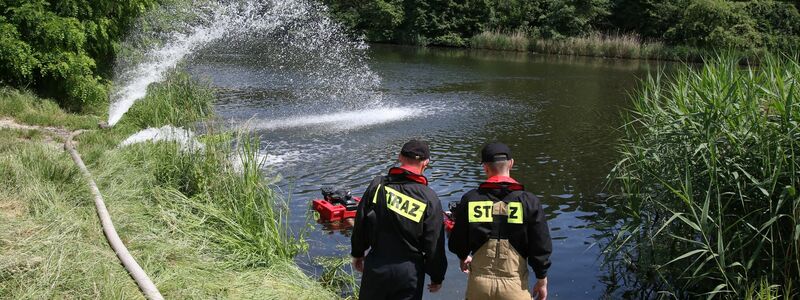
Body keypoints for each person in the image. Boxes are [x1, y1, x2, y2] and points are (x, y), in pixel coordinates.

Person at [448, 142, 553, 300]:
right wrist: (542, 279)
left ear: (485, 167)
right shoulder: (529, 202)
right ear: (511, 164)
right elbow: (540, 246)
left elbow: (457, 241)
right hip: (515, 286)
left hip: (479, 286)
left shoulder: (471, 199)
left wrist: (463, 256)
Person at [351, 139, 448, 300]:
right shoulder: (429, 198)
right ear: (426, 163)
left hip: (377, 265)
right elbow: (434, 244)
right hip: (409, 272)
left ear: (399, 157)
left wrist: (357, 253)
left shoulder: (378, 185)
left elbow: (361, 224)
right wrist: (437, 276)